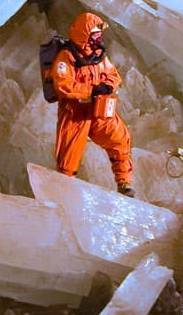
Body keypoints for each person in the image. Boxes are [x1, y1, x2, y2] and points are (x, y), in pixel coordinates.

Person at [51, 12, 134, 195]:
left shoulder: (100, 57)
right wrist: (90, 90)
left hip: (98, 110)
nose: (99, 38)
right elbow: (63, 85)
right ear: (85, 35)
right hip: (75, 113)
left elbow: (114, 75)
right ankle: (63, 193)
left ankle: (124, 182)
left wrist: (107, 86)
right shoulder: (67, 57)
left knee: (119, 140)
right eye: (96, 34)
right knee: (68, 160)